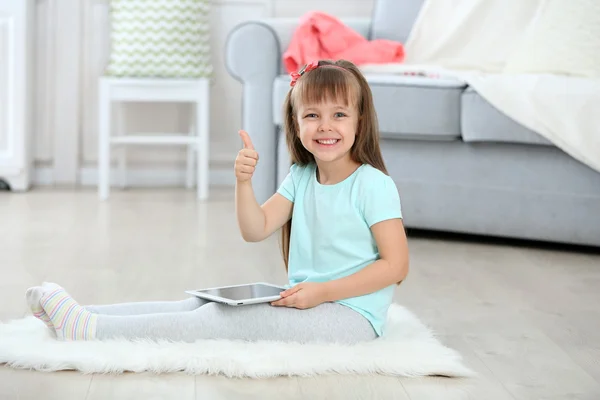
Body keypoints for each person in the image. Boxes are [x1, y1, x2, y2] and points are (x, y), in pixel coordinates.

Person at [25, 59, 409, 344]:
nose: (325, 125)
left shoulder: (373, 185)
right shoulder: (302, 177)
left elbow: (396, 266)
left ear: (359, 121)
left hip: (352, 316)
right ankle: (85, 316)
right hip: (307, 300)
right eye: (312, 115)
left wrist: (322, 292)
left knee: (223, 323)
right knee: (203, 306)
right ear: (295, 124)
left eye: (339, 114)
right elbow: (254, 229)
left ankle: (92, 332)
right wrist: (244, 182)